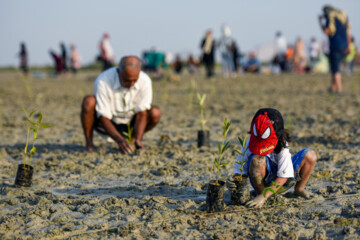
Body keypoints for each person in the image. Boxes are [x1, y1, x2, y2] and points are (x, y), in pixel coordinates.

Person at [226, 108, 317, 208]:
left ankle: (299, 189)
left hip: (281, 182)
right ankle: (262, 194)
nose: (261, 147)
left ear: (278, 135)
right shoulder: (249, 143)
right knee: (257, 160)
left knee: (310, 155)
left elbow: (284, 176)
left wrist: (263, 197)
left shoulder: (282, 146)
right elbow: (239, 172)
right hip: (261, 182)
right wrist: (232, 181)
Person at [81, 56, 161, 153]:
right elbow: (103, 117)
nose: (131, 84)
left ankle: (133, 141)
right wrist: (119, 141)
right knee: (89, 101)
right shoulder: (103, 80)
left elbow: (142, 113)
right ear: (118, 72)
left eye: (134, 80)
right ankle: (89, 144)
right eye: (127, 80)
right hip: (106, 123)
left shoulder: (145, 80)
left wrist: (138, 139)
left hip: (132, 123)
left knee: (155, 112)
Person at [319, 5, 351, 93]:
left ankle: (339, 89)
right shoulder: (343, 18)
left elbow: (327, 31)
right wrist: (348, 46)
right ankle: (333, 87)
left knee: (335, 68)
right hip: (344, 45)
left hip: (335, 45)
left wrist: (320, 22)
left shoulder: (331, 17)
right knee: (334, 66)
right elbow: (348, 33)